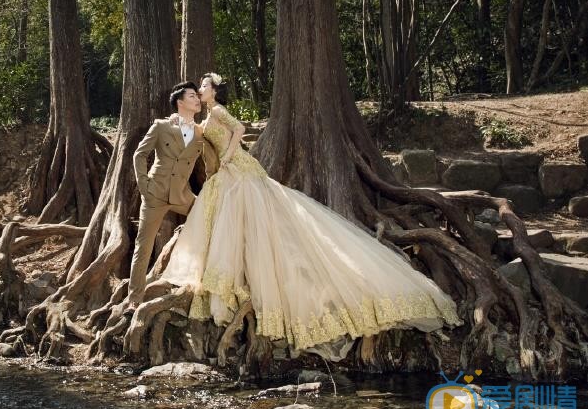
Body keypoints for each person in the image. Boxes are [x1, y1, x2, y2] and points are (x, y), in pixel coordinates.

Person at [161, 72, 462, 361]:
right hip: (227, 176)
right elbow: (196, 133)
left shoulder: (219, 111)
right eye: (197, 90)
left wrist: (227, 155)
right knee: (236, 223)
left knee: (255, 217)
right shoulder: (207, 118)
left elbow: (239, 130)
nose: (200, 91)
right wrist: (178, 121)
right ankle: (236, 279)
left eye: (203, 87)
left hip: (240, 169)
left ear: (213, 91)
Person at [129, 81, 219, 309]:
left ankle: (205, 285)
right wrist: (144, 187)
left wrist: (213, 187)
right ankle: (134, 301)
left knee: (212, 223)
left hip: (182, 195)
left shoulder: (201, 131)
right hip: (154, 194)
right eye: (191, 96)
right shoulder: (161, 126)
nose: (197, 99)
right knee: (144, 246)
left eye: (197, 96)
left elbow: (211, 161)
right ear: (180, 102)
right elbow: (139, 155)